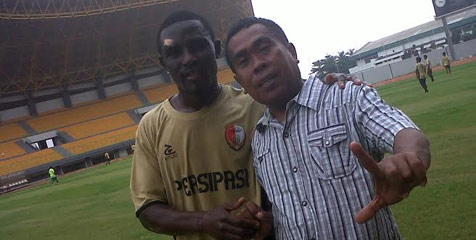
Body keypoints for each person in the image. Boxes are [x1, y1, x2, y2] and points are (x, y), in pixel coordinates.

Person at [130, 11, 361, 240]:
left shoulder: (258, 105)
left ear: (216, 48)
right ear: (163, 63)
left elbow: (294, 173)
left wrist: (333, 84)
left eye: (198, 45)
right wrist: (204, 221)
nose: (188, 58)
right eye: (174, 52)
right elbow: (148, 209)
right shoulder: (152, 126)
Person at [225, 17, 431, 239]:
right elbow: (289, 211)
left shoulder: (346, 97)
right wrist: (268, 226)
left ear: (292, 52)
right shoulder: (260, 141)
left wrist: (408, 156)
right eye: (244, 61)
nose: (258, 64)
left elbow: (403, 131)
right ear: (241, 82)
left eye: (264, 48)